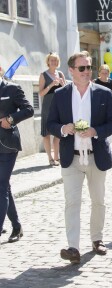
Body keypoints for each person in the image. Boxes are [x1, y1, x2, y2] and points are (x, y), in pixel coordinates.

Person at [47, 51, 112, 264]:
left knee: (98, 201)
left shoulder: (103, 93)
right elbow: (50, 124)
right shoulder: (60, 95)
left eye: (89, 67)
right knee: (72, 202)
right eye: (82, 68)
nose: (87, 71)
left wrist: (95, 131)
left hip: (96, 155)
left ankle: (97, 239)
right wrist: (63, 128)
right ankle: (73, 248)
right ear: (71, 70)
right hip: (72, 157)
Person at [0, 63, 34, 245]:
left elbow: (29, 109)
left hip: (7, 144)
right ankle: (16, 226)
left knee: (1, 185)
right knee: (4, 188)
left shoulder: (11, 88)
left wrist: (11, 119)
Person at [39, 52, 65, 166]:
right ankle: (50, 158)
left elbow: (65, 91)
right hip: (48, 106)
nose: (53, 62)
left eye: (55, 60)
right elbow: (40, 93)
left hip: (59, 106)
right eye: (51, 60)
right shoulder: (43, 75)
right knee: (46, 133)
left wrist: (63, 84)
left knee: (58, 133)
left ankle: (56, 157)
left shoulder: (60, 73)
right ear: (48, 62)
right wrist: (51, 85)